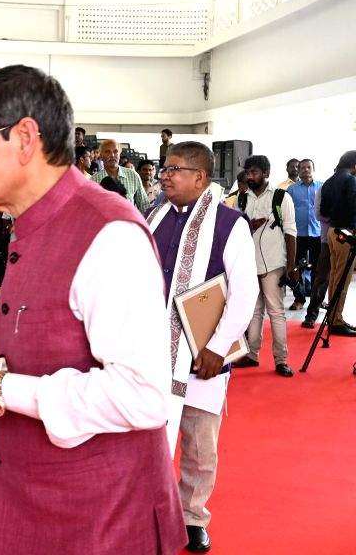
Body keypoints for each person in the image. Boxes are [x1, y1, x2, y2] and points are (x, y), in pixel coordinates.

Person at [0, 64, 186, 554]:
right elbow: (54, 355)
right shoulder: (30, 224)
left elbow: (142, 395)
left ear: (24, 138)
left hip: (99, 519)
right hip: (35, 504)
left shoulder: (107, 233)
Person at [147, 142, 258, 553]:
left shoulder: (230, 223)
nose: (164, 175)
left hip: (201, 356)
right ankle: (148, 508)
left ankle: (193, 516)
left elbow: (245, 292)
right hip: (152, 351)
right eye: (164, 167)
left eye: (174, 168)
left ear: (200, 176)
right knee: (146, 435)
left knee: (198, 443)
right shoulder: (154, 216)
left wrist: (216, 345)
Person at [234, 155, 297, 376]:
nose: (249, 176)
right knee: (254, 312)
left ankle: (281, 360)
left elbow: (290, 232)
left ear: (266, 173)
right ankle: (252, 355)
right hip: (249, 265)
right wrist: (250, 224)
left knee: (276, 312)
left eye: (254, 172)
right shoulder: (243, 199)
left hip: (274, 264)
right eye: (248, 172)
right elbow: (239, 230)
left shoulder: (281, 198)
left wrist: (291, 267)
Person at [316, 150, 356, 336]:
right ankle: (336, 321)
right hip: (346, 233)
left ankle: (333, 317)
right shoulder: (350, 180)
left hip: (332, 231)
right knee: (342, 278)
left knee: (335, 276)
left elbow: (323, 210)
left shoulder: (329, 181)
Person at [287, 159, 322, 311]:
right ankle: (299, 298)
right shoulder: (292, 190)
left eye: (308, 167)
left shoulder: (321, 187)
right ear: (298, 170)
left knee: (317, 269)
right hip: (297, 234)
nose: (305, 170)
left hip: (317, 234)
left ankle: (316, 301)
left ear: (313, 169)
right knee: (296, 268)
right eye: (302, 168)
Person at [302, 183, 333, 329]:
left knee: (339, 280)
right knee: (321, 277)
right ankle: (311, 314)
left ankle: (335, 318)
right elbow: (319, 214)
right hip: (327, 239)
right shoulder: (326, 187)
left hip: (348, 238)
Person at [92, 138, 149, 213]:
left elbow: (144, 206)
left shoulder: (132, 175)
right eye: (107, 152)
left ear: (120, 154)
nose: (112, 155)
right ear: (101, 155)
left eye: (115, 152)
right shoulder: (94, 181)